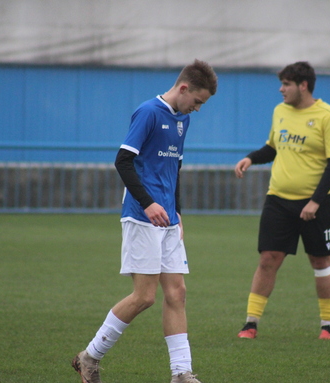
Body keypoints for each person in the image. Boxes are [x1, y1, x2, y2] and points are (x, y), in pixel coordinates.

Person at [71, 59, 217, 383]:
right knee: (145, 297)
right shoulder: (148, 112)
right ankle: (89, 356)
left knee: (177, 293)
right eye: (198, 101)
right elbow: (123, 161)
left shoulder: (182, 121)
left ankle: (181, 373)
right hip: (141, 216)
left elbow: (174, 168)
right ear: (184, 88)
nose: (198, 108)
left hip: (166, 218)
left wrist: (177, 210)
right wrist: (148, 203)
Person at [234, 61, 330, 340]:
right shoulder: (280, 111)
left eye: (286, 84)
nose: (281, 89)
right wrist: (251, 157)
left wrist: (315, 202)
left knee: (321, 262)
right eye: (281, 83)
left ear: (303, 86)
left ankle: (328, 326)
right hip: (279, 200)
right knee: (268, 259)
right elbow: (273, 147)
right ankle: (250, 324)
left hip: (317, 204)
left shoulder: (329, 116)